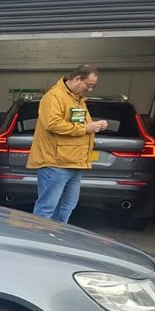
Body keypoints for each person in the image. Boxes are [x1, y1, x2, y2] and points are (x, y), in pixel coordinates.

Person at [27, 64, 108, 223]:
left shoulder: (78, 100)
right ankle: (38, 241)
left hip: (74, 163)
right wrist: (86, 128)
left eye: (92, 86)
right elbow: (52, 124)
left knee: (67, 206)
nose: (90, 89)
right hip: (55, 162)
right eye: (88, 85)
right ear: (78, 78)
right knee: (47, 207)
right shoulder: (54, 96)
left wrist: (94, 125)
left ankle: (57, 240)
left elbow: (76, 123)